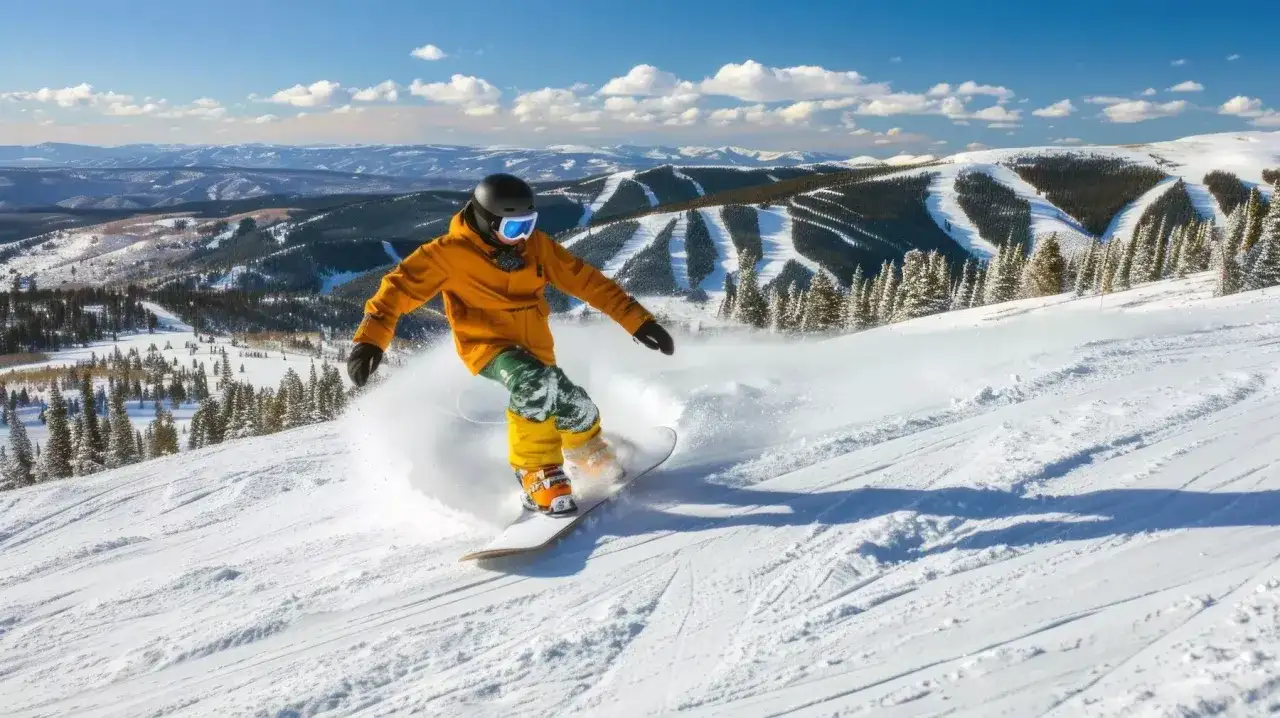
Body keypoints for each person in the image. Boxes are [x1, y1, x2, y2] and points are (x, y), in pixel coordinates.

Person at [346, 173, 674, 515]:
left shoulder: (535, 248)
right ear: (487, 222)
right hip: (487, 346)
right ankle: (536, 474)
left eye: (528, 225)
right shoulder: (448, 254)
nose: (522, 237)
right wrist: (370, 341)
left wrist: (637, 320)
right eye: (513, 229)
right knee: (535, 385)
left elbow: (586, 281)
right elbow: (395, 292)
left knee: (570, 399)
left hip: (535, 345)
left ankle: (587, 451)